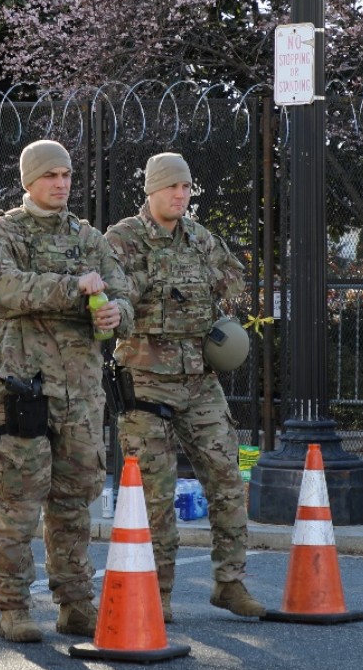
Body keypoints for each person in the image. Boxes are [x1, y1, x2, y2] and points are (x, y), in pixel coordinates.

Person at [0, 139, 132, 643]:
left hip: (82, 394)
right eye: (50, 176)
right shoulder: (2, 232)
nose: (60, 184)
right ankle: (14, 606)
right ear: (29, 181)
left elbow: (122, 291)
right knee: (17, 499)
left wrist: (116, 313)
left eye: (65, 175)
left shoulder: (89, 237)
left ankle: (75, 602)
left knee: (74, 499)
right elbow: (4, 289)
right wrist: (74, 289)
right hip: (26, 389)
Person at [105, 153, 263, 622]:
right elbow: (117, 301)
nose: (180, 194)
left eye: (186, 188)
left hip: (200, 382)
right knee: (155, 495)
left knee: (228, 480)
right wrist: (148, 291)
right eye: (172, 187)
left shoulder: (200, 239)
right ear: (151, 191)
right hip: (146, 384)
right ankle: (160, 594)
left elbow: (233, 276)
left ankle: (230, 583)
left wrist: (213, 287)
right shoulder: (123, 240)